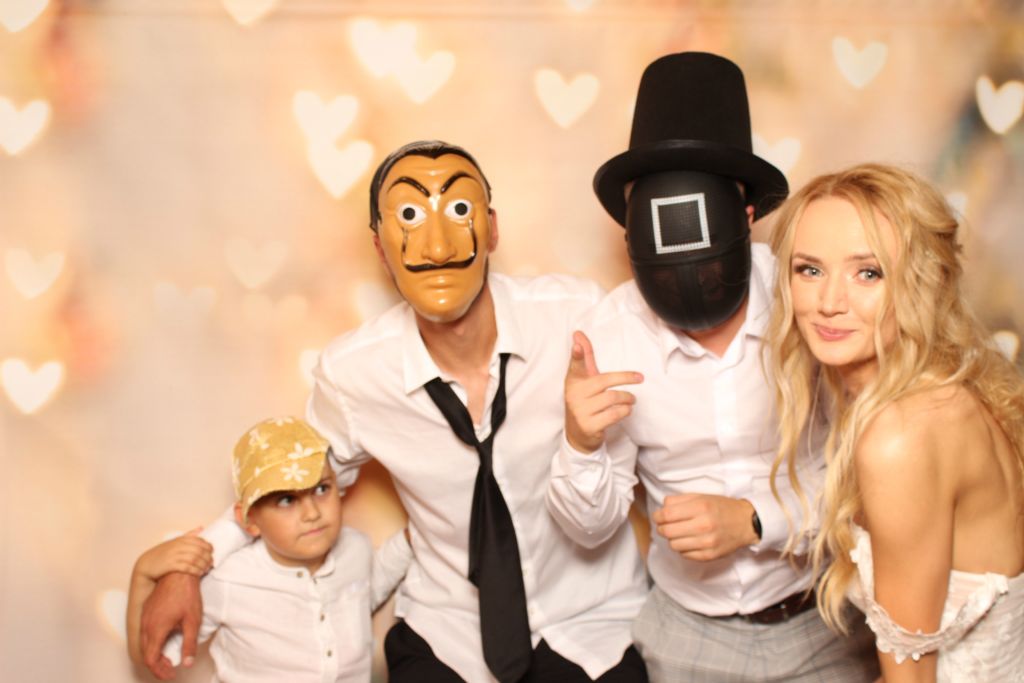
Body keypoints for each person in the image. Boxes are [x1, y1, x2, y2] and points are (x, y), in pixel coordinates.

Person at [138, 141, 649, 683]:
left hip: (591, 623)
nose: (437, 245)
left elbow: (600, 520)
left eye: (459, 210)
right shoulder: (354, 375)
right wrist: (189, 568)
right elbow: (291, 477)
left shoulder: (576, 320)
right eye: (409, 216)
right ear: (380, 248)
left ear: (492, 228)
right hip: (448, 630)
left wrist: (582, 443)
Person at [546, 52, 878, 681]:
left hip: (825, 613)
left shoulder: (812, 300)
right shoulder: (610, 335)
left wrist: (755, 520)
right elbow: (588, 531)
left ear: (746, 215)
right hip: (687, 631)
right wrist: (580, 444)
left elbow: (871, 472)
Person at [765, 163, 1024, 681]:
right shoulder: (945, 388)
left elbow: (910, 674)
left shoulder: (902, 434)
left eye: (868, 273)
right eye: (809, 270)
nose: (829, 303)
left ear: (921, 283)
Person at [127, 416, 412, 682]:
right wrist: (142, 576)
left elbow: (365, 592)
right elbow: (152, 651)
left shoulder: (355, 548)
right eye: (287, 500)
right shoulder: (229, 580)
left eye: (321, 489)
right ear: (249, 520)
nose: (312, 513)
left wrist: (414, 537)